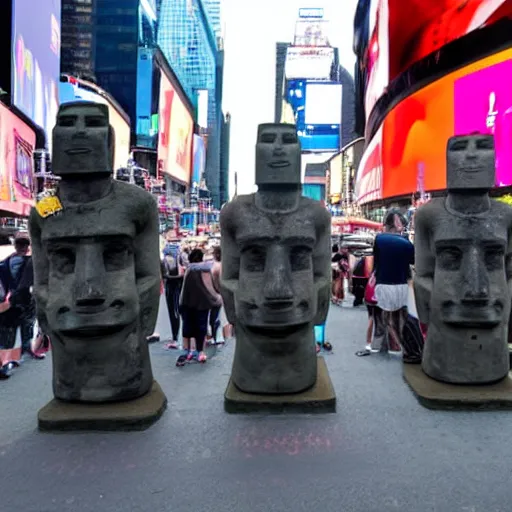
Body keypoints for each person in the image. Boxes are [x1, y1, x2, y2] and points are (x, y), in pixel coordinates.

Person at [371, 209, 419, 362]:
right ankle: (408, 349)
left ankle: (381, 346)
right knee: (402, 318)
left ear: (386, 225)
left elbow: (376, 263)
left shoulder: (379, 239)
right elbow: (413, 261)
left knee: (383, 317)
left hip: (383, 284)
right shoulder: (406, 243)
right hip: (401, 285)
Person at [0, 232, 43, 360]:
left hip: (24, 301)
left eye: (25, 243)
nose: (23, 246)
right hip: (15, 302)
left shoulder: (7, 263)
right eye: (20, 243)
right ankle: (7, 360)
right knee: (9, 334)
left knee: (27, 328)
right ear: (15, 245)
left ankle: (25, 350)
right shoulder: (6, 263)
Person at [176, 248, 222, 365]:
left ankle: (186, 351)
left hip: (187, 303)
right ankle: (200, 352)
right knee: (201, 328)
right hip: (202, 304)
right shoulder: (206, 269)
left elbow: (184, 291)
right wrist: (217, 297)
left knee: (187, 328)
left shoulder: (189, 269)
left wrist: (180, 304)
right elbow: (210, 288)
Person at [162, 239, 185, 349]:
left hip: (171, 288)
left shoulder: (165, 261)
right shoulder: (179, 258)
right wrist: (180, 277)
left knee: (173, 312)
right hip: (178, 287)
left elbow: (165, 275)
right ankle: (177, 337)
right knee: (177, 311)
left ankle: (175, 337)